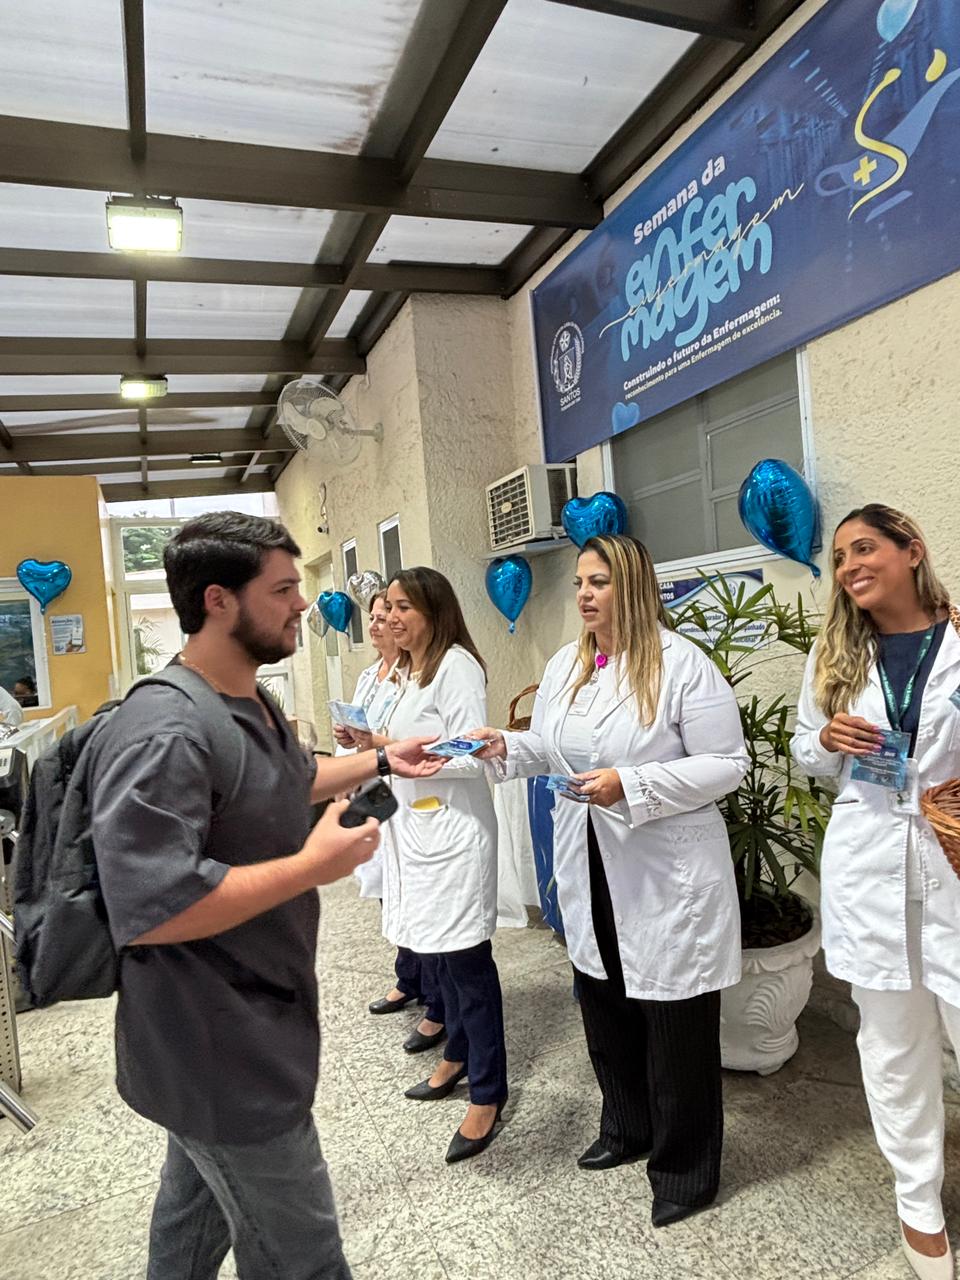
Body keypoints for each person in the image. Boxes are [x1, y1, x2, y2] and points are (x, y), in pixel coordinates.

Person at [89, 512, 443, 1280]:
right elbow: (154, 907)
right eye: (282, 589)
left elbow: (283, 780)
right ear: (218, 600)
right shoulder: (163, 730)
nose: (302, 603)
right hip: (218, 1044)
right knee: (303, 1260)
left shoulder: (245, 701)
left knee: (191, 1225)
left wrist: (382, 762)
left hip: (244, 1025)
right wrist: (311, 866)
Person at [471, 534, 748, 1226]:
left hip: (663, 869)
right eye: (579, 583)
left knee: (675, 1022)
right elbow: (556, 748)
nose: (585, 595)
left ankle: (685, 1170)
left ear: (633, 587)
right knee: (604, 1000)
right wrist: (509, 745)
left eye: (599, 582)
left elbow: (727, 763)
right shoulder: (569, 664)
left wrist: (634, 783)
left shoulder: (682, 664)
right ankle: (627, 1127)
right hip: (589, 857)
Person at [792, 503, 960, 1280]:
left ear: (911, 550)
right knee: (893, 1045)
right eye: (839, 557)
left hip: (950, 858)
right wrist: (826, 739)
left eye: (865, 548)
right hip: (870, 863)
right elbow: (806, 748)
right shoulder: (836, 652)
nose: (850, 566)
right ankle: (918, 1205)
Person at [349, 567, 507, 1163]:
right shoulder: (412, 672)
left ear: (434, 613)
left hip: (454, 837)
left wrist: (406, 755)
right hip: (417, 831)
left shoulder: (457, 666)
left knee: (466, 962)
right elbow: (405, 745)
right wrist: (375, 748)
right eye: (387, 608)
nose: (389, 618)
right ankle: (456, 1056)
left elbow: (475, 754)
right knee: (438, 955)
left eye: (401, 608)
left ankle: (488, 1093)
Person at [333, 590, 446, 1054]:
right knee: (389, 887)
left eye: (391, 615)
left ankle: (437, 1001)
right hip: (375, 788)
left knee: (416, 893)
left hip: (409, 791)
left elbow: (415, 741)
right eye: (377, 617)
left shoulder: (416, 675)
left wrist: (372, 744)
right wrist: (349, 749)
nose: (380, 625)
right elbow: (365, 736)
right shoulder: (370, 676)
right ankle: (409, 976)